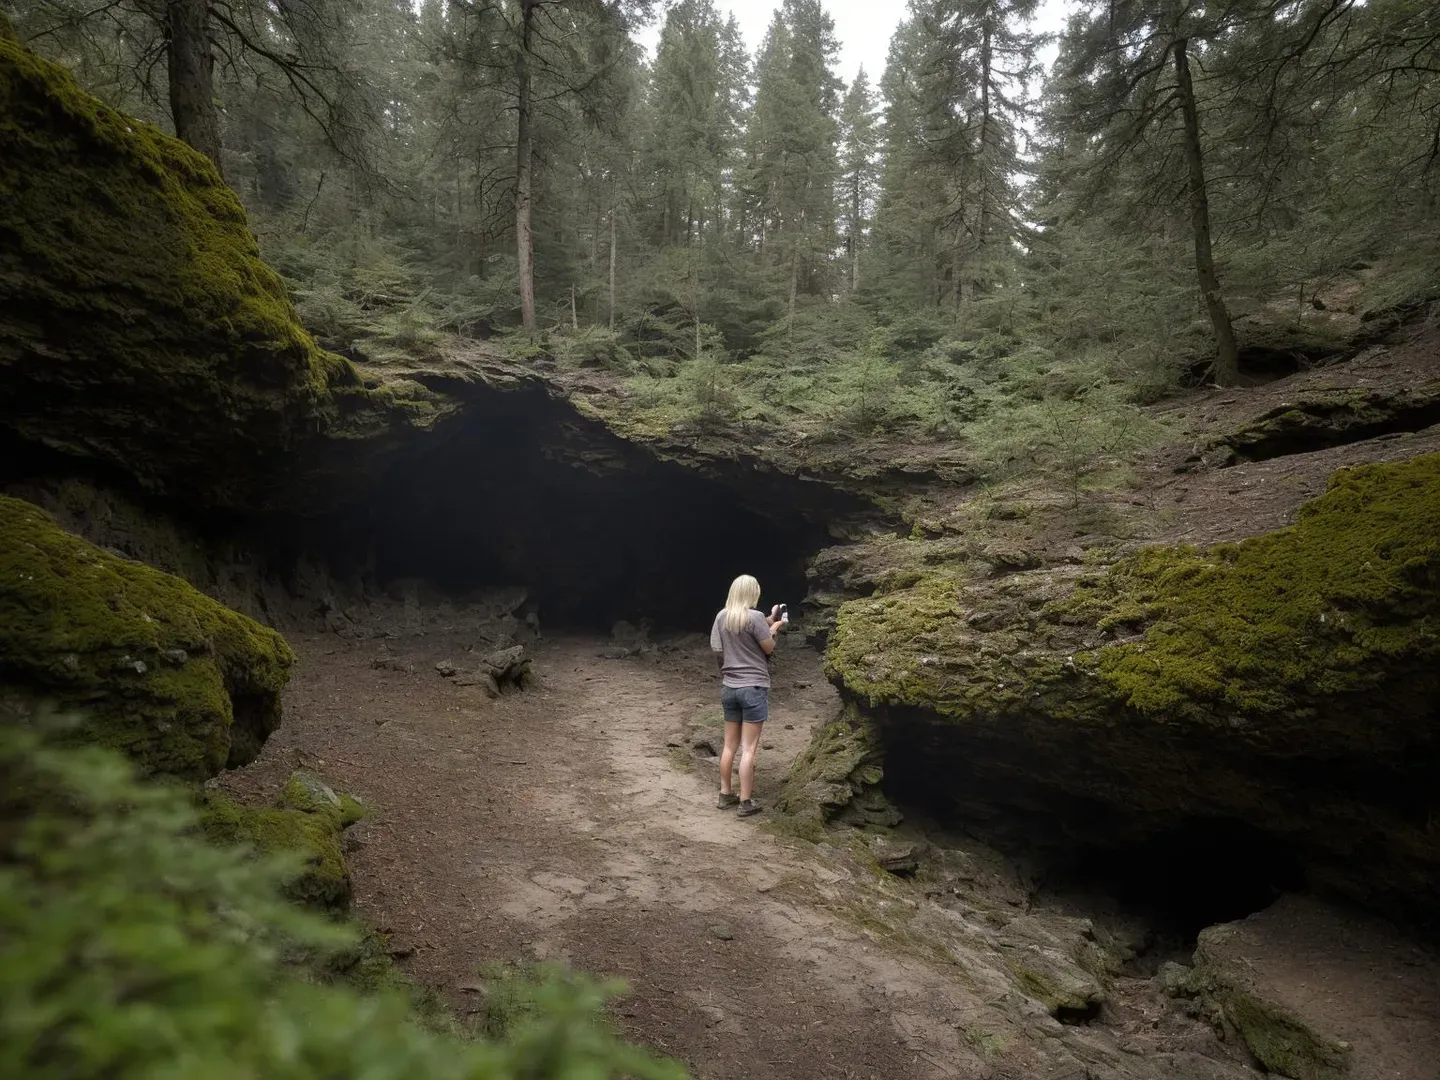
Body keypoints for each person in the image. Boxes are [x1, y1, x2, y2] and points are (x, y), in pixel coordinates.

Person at [709, 574, 785, 817]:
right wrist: (774, 627)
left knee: (729, 745)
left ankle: (724, 794)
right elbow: (768, 648)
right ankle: (745, 801)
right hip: (753, 687)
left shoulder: (722, 616)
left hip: (729, 687)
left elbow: (717, 649)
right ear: (753, 593)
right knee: (749, 748)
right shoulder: (754, 618)